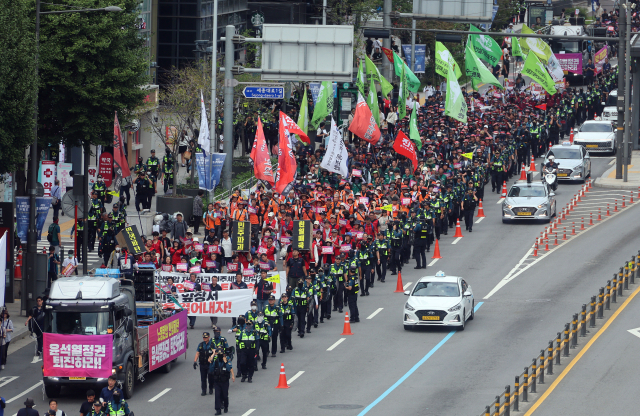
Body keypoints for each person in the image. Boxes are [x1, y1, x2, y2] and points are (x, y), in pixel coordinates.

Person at [208, 343, 235, 415]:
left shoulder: (227, 360)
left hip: (224, 382)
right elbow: (211, 370)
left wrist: (226, 362)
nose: (220, 356)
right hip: (217, 382)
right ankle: (218, 410)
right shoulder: (216, 361)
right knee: (217, 396)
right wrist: (211, 362)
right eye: (218, 354)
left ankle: (226, 406)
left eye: (221, 354)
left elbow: (229, 368)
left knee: (225, 396)